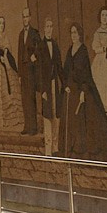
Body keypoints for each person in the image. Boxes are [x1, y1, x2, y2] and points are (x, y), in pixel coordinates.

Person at [63, 22, 107, 161]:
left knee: (89, 121)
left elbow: (86, 73)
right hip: (72, 91)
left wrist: (83, 92)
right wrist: (66, 85)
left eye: (76, 33)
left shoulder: (83, 50)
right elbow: (67, 70)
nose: (73, 35)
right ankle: (75, 152)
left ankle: (89, 154)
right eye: (72, 33)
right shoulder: (70, 50)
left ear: (80, 34)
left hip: (84, 89)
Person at [37, 18, 64, 155]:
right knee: (47, 117)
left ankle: (55, 147)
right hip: (46, 87)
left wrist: (64, 84)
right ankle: (48, 149)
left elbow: (59, 66)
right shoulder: (40, 46)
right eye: (47, 26)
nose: (49, 29)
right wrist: (43, 90)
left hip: (55, 85)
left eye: (51, 26)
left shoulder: (55, 45)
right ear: (44, 29)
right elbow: (40, 70)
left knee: (56, 115)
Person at [16, 9, 41, 135]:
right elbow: (19, 54)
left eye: (27, 16)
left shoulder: (34, 33)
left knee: (31, 98)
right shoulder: (21, 34)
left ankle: (33, 128)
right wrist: (19, 74)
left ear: (30, 18)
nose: (25, 19)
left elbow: (40, 48)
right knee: (24, 99)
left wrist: (34, 56)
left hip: (31, 70)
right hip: (24, 71)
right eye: (23, 16)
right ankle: (27, 126)